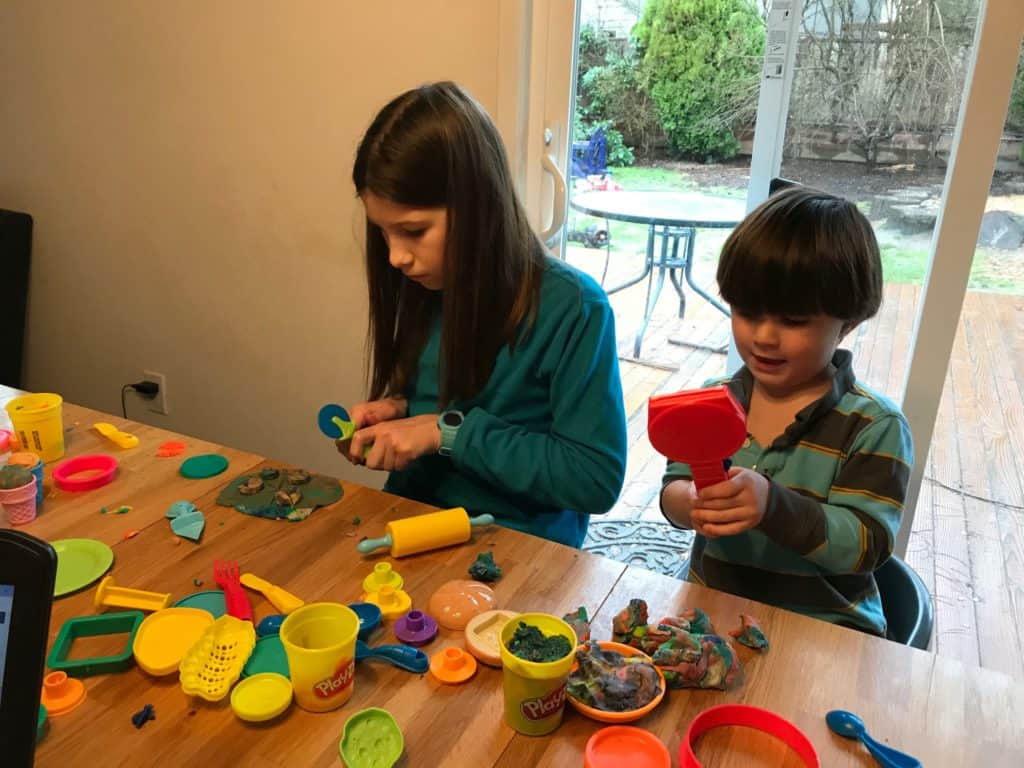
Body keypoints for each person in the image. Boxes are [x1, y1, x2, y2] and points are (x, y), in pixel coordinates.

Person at [343, 81, 627, 548]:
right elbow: (433, 394)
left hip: (521, 543)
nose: (395, 257)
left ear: (479, 205)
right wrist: (396, 410)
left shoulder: (574, 309)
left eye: (413, 231)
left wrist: (446, 432)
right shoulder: (423, 286)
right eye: (384, 233)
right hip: (413, 522)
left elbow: (594, 478)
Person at [660, 187, 913, 636]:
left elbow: (867, 546)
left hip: (824, 631)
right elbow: (673, 488)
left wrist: (774, 506)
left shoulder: (873, 426)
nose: (764, 336)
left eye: (793, 321)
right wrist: (690, 504)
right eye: (746, 311)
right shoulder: (710, 402)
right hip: (713, 614)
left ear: (848, 321)